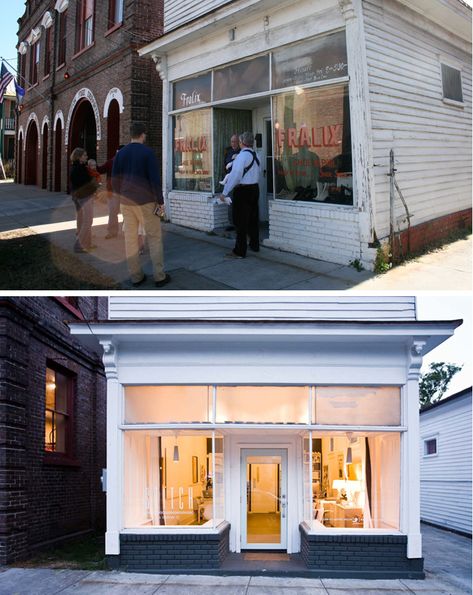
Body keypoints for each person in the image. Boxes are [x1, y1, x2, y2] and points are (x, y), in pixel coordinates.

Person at [112, 123, 170, 287]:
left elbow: (115, 180)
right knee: (154, 238)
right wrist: (160, 201)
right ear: (143, 135)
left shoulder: (120, 154)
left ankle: (136, 276)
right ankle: (159, 276)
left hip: (126, 202)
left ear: (131, 134)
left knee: (130, 240)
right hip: (146, 201)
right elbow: (154, 180)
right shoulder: (148, 153)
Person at [220, 131, 261, 259]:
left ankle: (239, 251)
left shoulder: (241, 157)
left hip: (242, 191)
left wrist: (225, 192)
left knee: (240, 222)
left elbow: (235, 176)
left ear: (242, 142)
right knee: (253, 219)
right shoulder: (256, 155)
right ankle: (255, 245)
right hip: (255, 188)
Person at [69, 147, 98, 253]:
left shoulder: (79, 167)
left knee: (84, 220)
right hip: (84, 197)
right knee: (88, 220)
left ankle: (87, 244)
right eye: (84, 155)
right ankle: (79, 245)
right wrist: (94, 185)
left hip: (80, 196)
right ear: (79, 157)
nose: (86, 157)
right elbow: (83, 184)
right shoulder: (78, 169)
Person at [97, 145, 124, 239]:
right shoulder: (111, 162)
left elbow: (100, 170)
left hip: (121, 192)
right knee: (114, 213)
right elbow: (100, 170)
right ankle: (113, 232)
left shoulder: (112, 162)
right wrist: (91, 167)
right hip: (114, 192)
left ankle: (117, 232)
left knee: (115, 213)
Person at [221, 134, 240, 230]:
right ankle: (232, 223)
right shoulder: (228, 152)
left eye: (235, 141)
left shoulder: (242, 152)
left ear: (239, 142)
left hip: (239, 182)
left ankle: (240, 223)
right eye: (232, 141)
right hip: (230, 180)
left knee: (239, 203)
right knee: (230, 202)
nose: (233, 143)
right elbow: (225, 164)